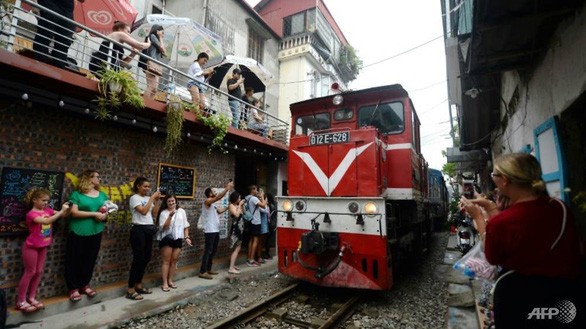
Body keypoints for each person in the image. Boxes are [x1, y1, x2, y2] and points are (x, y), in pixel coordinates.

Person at [460, 153, 582, 329]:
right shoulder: (560, 207)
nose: (493, 179)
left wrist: (478, 217)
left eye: (494, 175)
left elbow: (492, 257)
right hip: (565, 293)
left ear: (505, 181)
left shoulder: (502, 223)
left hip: (521, 298)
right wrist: (491, 207)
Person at [16, 188, 69, 313]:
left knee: (38, 272)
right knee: (30, 272)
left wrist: (67, 208)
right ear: (35, 200)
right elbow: (47, 221)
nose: (46, 203)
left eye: (47, 200)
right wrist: (61, 212)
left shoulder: (48, 210)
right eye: (43, 200)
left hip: (43, 246)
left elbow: (64, 215)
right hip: (31, 246)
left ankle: (32, 297)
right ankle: (21, 301)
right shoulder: (31, 214)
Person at [64, 170, 109, 302]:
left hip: (96, 230)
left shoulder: (102, 195)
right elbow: (74, 213)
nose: (99, 178)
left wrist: (104, 215)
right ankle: (73, 288)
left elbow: (107, 210)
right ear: (89, 178)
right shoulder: (76, 194)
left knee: (90, 258)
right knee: (74, 259)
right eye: (97, 176)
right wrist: (94, 214)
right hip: (78, 230)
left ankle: (84, 284)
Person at [127, 177, 162, 300]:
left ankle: (138, 285)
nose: (147, 189)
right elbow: (142, 211)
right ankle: (130, 289)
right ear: (138, 186)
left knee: (146, 258)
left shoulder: (148, 198)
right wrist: (152, 198)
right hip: (138, 230)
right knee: (138, 259)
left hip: (148, 229)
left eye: (148, 187)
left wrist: (156, 201)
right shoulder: (134, 198)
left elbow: (154, 214)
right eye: (145, 186)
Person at [32, 0, 85, 68]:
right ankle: (39, 67)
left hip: (67, 8)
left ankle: (58, 70)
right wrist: (34, 3)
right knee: (45, 35)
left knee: (64, 42)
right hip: (50, 3)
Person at [199, 181, 233, 279]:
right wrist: (227, 188)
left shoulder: (213, 205)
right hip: (209, 230)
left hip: (215, 230)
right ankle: (202, 271)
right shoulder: (207, 202)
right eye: (213, 191)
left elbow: (219, 211)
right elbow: (218, 198)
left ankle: (208, 269)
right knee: (208, 250)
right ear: (210, 194)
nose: (215, 192)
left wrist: (227, 207)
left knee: (213, 250)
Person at [156, 194, 191, 291]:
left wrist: (187, 237)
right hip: (166, 238)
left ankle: (170, 280)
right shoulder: (163, 213)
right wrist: (170, 216)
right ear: (166, 203)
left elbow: (185, 225)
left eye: (173, 201)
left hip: (178, 238)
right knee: (166, 261)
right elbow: (164, 227)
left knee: (174, 260)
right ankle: (164, 283)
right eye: (169, 201)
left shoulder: (181, 211)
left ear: (176, 201)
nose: (171, 203)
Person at [140, 25, 167, 97]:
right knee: (151, 86)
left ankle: (149, 101)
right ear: (157, 30)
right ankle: (145, 103)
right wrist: (161, 38)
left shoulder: (158, 40)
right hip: (150, 62)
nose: (163, 34)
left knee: (155, 89)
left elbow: (165, 53)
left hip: (156, 65)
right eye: (162, 32)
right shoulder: (152, 36)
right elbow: (162, 49)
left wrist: (161, 39)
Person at [245, 185, 267, 267]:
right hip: (256, 221)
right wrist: (263, 197)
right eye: (256, 190)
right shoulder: (254, 198)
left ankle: (249, 257)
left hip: (251, 220)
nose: (257, 191)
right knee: (256, 240)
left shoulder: (247, 198)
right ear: (252, 190)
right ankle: (251, 260)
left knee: (251, 240)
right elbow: (263, 205)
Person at [227, 191, 245, 274]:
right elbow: (237, 215)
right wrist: (240, 205)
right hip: (235, 229)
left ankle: (233, 265)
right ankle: (231, 268)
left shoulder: (237, 205)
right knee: (236, 247)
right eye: (239, 198)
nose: (240, 199)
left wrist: (242, 206)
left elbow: (244, 213)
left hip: (240, 228)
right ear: (235, 198)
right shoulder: (231, 206)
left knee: (237, 248)